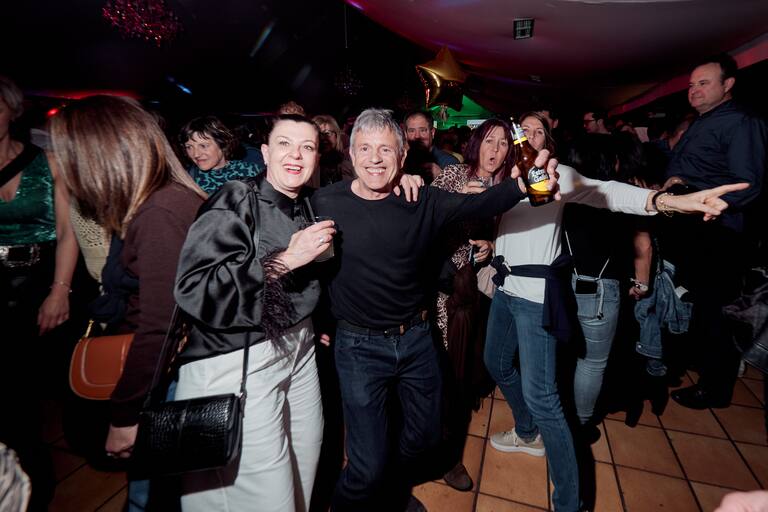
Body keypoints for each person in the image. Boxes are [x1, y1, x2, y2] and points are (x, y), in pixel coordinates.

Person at [484, 111, 748, 512]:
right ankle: (527, 431)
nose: (529, 136)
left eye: (539, 131)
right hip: (505, 289)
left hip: (535, 298)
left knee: (544, 398)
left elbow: (607, 191)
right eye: (524, 130)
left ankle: (570, 503)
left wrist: (669, 201)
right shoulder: (507, 177)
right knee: (496, 362)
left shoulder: (557, 175)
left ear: (548, 144)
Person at [311, 108, 560, 512]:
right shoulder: (325, 203)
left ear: (402, 154)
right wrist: (317, 321)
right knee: (365, 468)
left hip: (416, 339)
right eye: (365, 148)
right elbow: (308, 268)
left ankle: (390, 495)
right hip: (358, 347)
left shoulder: (420, 198)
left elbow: (480, 204)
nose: (374, 158)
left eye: (385, 149)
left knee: (427, 437)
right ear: (351, 154)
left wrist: (523, 185)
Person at [48, 95, 207, 509]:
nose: (63, 169)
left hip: (167, 379)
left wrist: (125, 416)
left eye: (67, 157)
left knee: (149, 499)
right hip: (165, 374)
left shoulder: (159, 213)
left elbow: (159, 326)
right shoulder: (153, 201)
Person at [664, 54, 767, 410]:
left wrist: (708, 204)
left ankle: (715, 389)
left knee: (715, 312)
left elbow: (747, 184)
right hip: (695, 230)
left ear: (728, 84)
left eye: (704, 83)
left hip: (718, 233)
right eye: (691, 84)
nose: (694, 90)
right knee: (697, 306)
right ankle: (700, 364)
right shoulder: (705, 120)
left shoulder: (741, 122)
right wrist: (678, 180)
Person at [0, 75, 78, 511]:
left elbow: (67, 232)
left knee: (33, 385)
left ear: (12, 112)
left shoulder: (46, 161)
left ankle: (36, 482)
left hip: (40, 278)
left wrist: (60, 291)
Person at [429, 118, 514, 490]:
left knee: (466, 374)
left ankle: (447, 449)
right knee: (442, 374)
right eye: (489, 140)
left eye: (503, 143)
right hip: (445, 291)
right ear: (477, 143)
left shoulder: (508, 188)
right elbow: (423, 219)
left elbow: (509, 236)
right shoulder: (454, 175)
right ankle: (442, 454)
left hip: (482, 294)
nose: (495, 150)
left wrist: (492, 245)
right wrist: (461, 200)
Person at [179, 115, 262, 194]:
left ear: (223, 144)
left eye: (203, 146)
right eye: (189, 147)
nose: (196, 154)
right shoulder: (186, 179)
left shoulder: (250, 172)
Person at [312, 114, 354, 187]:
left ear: (336, 135)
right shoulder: (310, 167)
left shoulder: (347, 165)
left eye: (327, 133)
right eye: (319, 134)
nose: (323, 138)